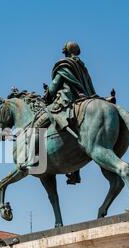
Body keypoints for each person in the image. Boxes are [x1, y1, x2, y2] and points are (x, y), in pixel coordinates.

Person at [43, 42, 97, 185]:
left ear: (65, 51)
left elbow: (54, 86)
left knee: (42, 117)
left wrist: (47, 95)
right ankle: (75, 172)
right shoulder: (82, 65)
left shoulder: (64, 64)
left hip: (67, 98)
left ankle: (32, 158)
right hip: (84, 97)